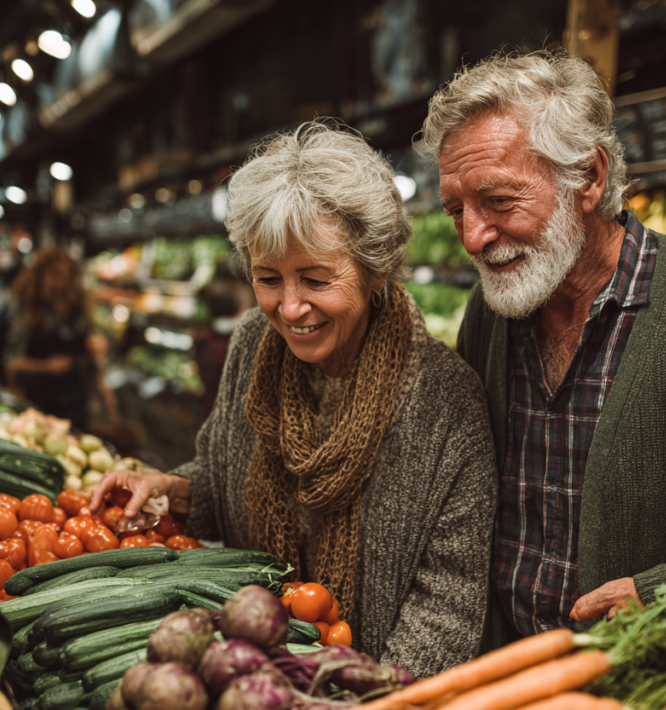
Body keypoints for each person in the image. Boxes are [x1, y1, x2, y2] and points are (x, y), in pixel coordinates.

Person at [92, 121, 497, 678]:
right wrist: (173, 491)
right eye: (268, 279)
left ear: (375, 267)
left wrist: (370, 703)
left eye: (315, 280)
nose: (288, 308)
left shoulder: (445, 402)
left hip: (367, 693)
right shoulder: (251, 346)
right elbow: (221, 478)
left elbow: (448, 602)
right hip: (246, 674)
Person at [417, 50, 666, 649]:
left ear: (588, 178)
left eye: (500, 201)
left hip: (662, 682)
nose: (473, 237)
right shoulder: (491, 313)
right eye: (456, 210)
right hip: (508, 677)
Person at [5, 248, 116, 429]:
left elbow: (87, 351)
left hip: (75, 396)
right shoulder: (26, 309)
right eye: (55, 274)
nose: (61, 282)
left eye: (66, 276)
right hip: (39, 398)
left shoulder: (77, 307)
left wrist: (102, 384)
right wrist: (46, 366)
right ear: (39, 274)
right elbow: (12, 361)